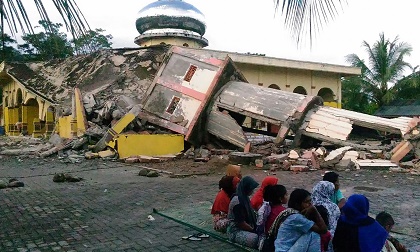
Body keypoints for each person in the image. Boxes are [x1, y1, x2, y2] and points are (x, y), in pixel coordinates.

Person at [227, 176, 260, 249]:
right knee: (256, 239)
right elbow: (241, 223)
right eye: (251, 189)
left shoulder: (244, 197)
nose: (252, 192)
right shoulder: (238, 202)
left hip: (245, 227)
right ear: (247, 188)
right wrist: (254, 230)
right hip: (235, 230)